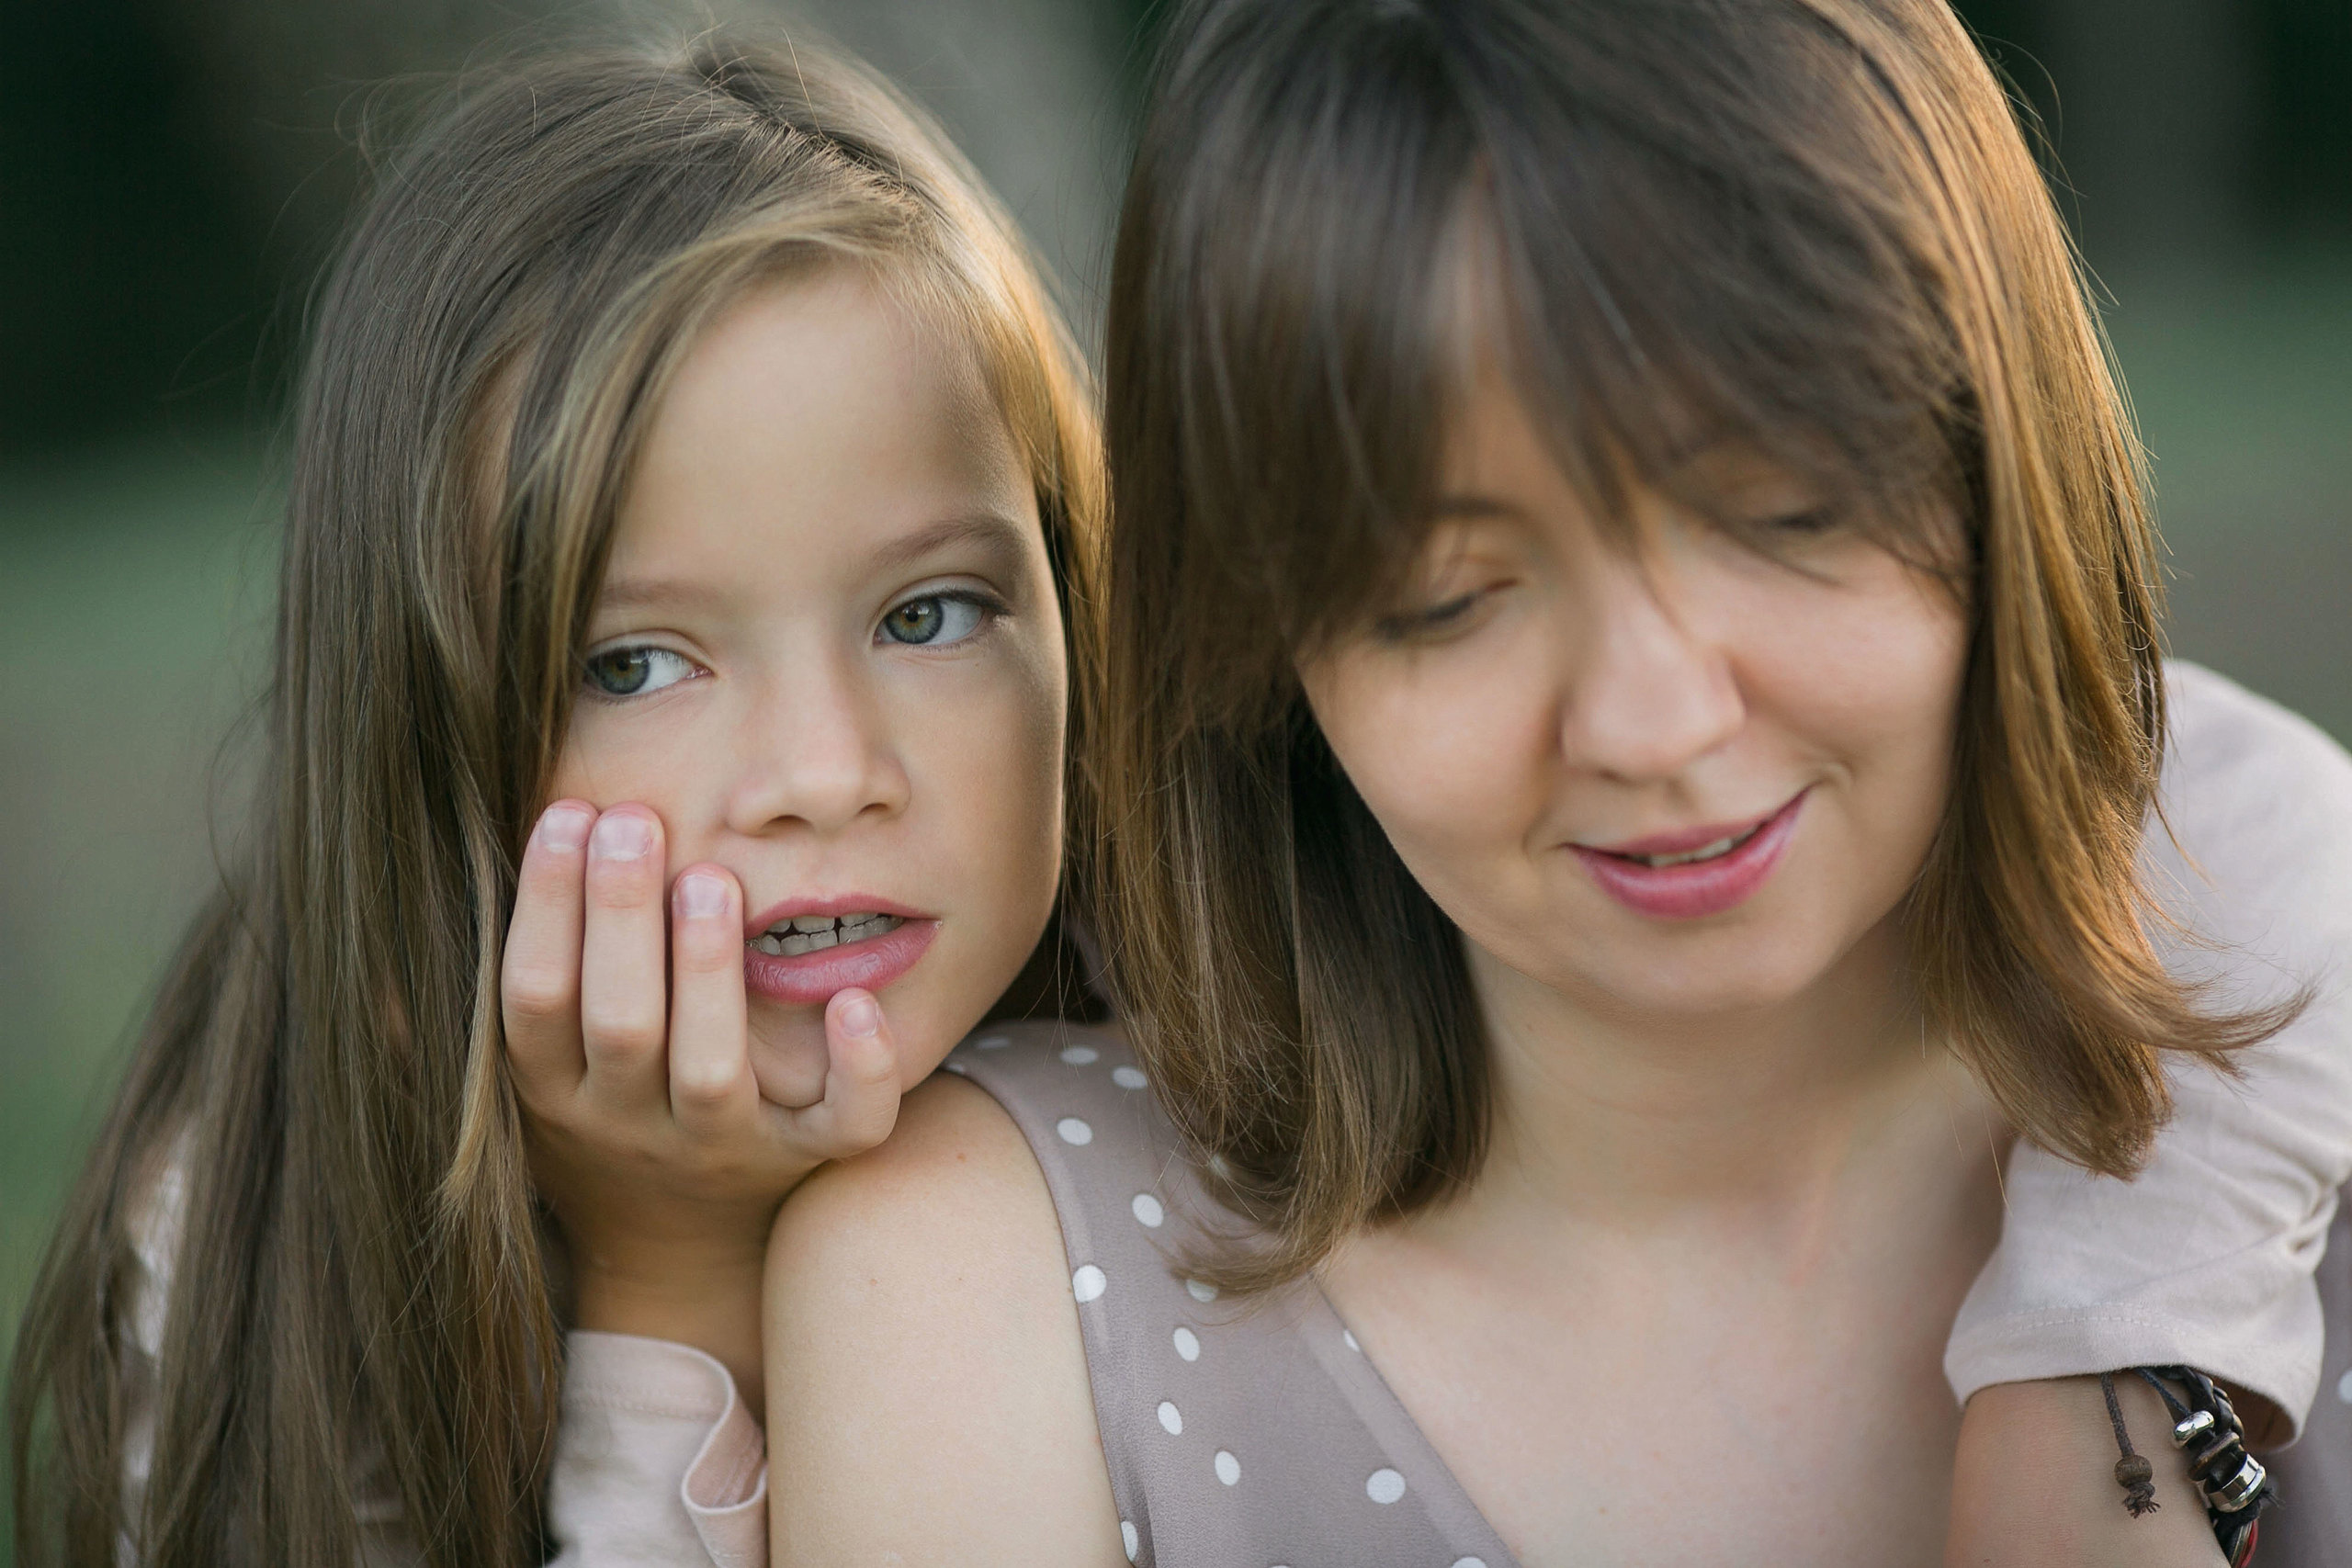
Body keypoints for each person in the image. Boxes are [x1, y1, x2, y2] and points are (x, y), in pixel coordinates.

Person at [760, 2, 2352, 1564]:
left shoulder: (2281, 1151)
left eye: (1784, 515)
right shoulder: (994, 1288)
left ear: (2001, 459)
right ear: (1260, 647)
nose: (1653, 721)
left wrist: (2108, 1364)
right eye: (1448, 599)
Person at [5, 33, 1102, 1566]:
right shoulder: (256, 1216)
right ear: (420, 733)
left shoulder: (1212, 1070)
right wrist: (677, 1279)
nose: (825, 775)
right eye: (637, 664)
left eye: (925, 617)